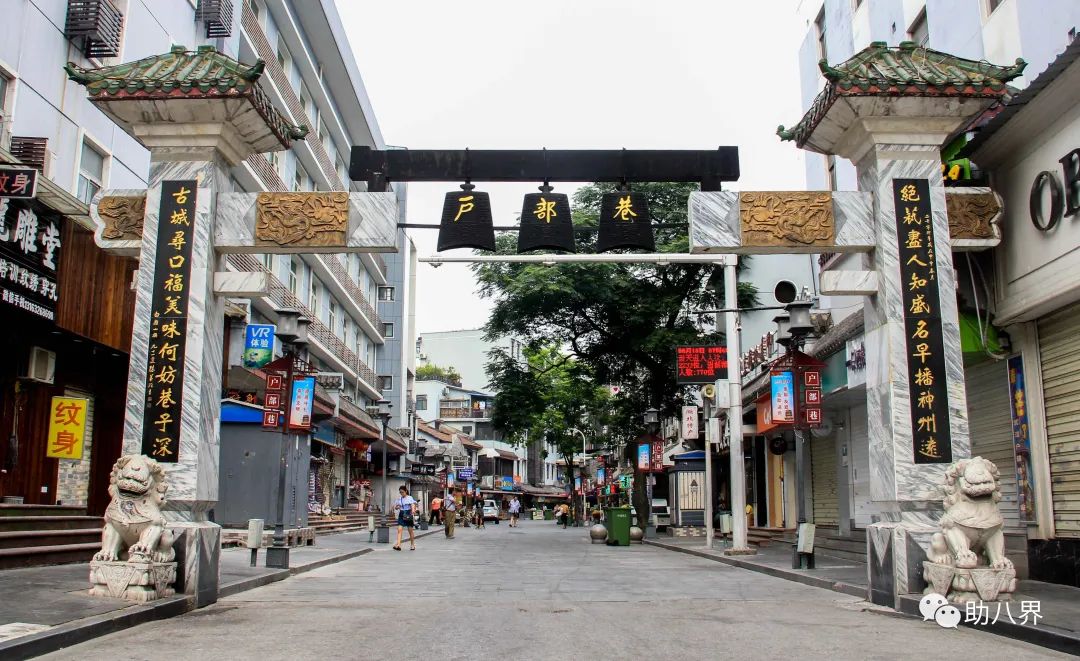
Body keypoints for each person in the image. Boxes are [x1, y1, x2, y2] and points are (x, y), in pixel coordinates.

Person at [393, 486, 417, 551]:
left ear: (406, 491)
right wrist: (397, 507)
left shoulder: (409, 497)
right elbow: (395, 507)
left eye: (402, 492)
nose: (401, 493)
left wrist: (413, 510)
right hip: (401, 514)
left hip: (408, 513)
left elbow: (412, 504)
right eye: (400, 492)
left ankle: (412, 545)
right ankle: (398, 545)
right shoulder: (399, 499)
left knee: (410, 530)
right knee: (399, 529)